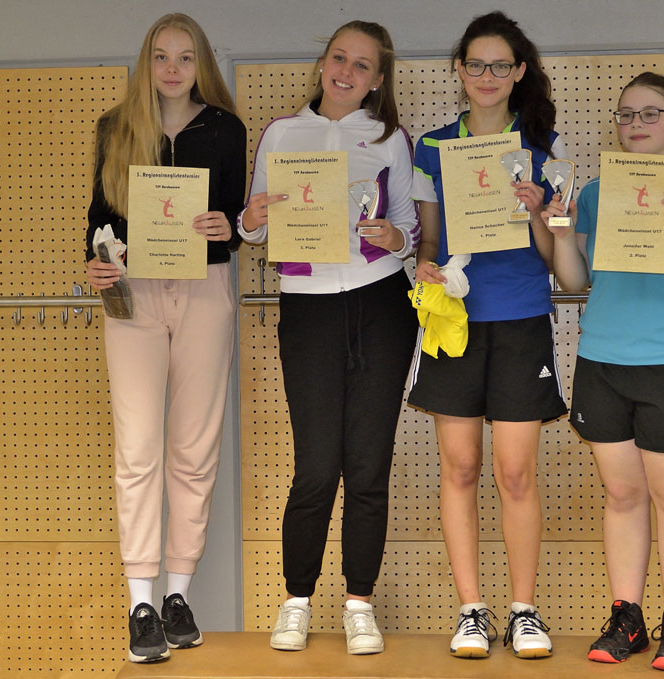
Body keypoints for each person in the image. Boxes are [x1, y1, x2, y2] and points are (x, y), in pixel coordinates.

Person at [542, 71, 664, 672]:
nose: (637, 125)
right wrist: (558, 233)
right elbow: (574, 281)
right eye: (627, 115)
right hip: (605, 361)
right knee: (624, 494)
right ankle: (626, 617)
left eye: (651, 114)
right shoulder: (599, 193)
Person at [236, 21, 418, 656]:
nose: (347, 71)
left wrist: (395, 240)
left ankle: (359, 603)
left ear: (378, 78)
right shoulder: (283, 134)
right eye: (339, 57)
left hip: (380, 303)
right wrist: (251, 219)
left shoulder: (391, 138)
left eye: (362, 65)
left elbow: (407, 230)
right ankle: (296, 601)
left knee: (368, 464)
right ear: (323, 63)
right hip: (309, 307)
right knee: (315, 466)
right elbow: (253, 229)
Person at [85, 13, 246, 664]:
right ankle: (140, 602)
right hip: (134, 297)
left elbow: (235, 223)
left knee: (194, 446)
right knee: (139, 447)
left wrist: (222, 227)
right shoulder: (115, 128)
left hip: (204, 290)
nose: (172, 68)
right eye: (160, 56)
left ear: (200, 62)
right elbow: (100, 220)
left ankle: (178, 594)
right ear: (146, 63)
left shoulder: (226, 129)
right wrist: (96, 260)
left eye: (185, 57)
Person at [407, 10, 566, 660]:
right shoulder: (431, 146)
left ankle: (524, 610)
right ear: (461, 70)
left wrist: (539, 212)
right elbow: (432, 239)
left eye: (502, 65)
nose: (488, 76)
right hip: (456, 320)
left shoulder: (545, 147)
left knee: (516, 471)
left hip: (523, 315)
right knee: (462, 466)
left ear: (519, 71)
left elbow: (558, 255)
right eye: (477, 64)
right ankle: (472, 609)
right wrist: (423, 261)